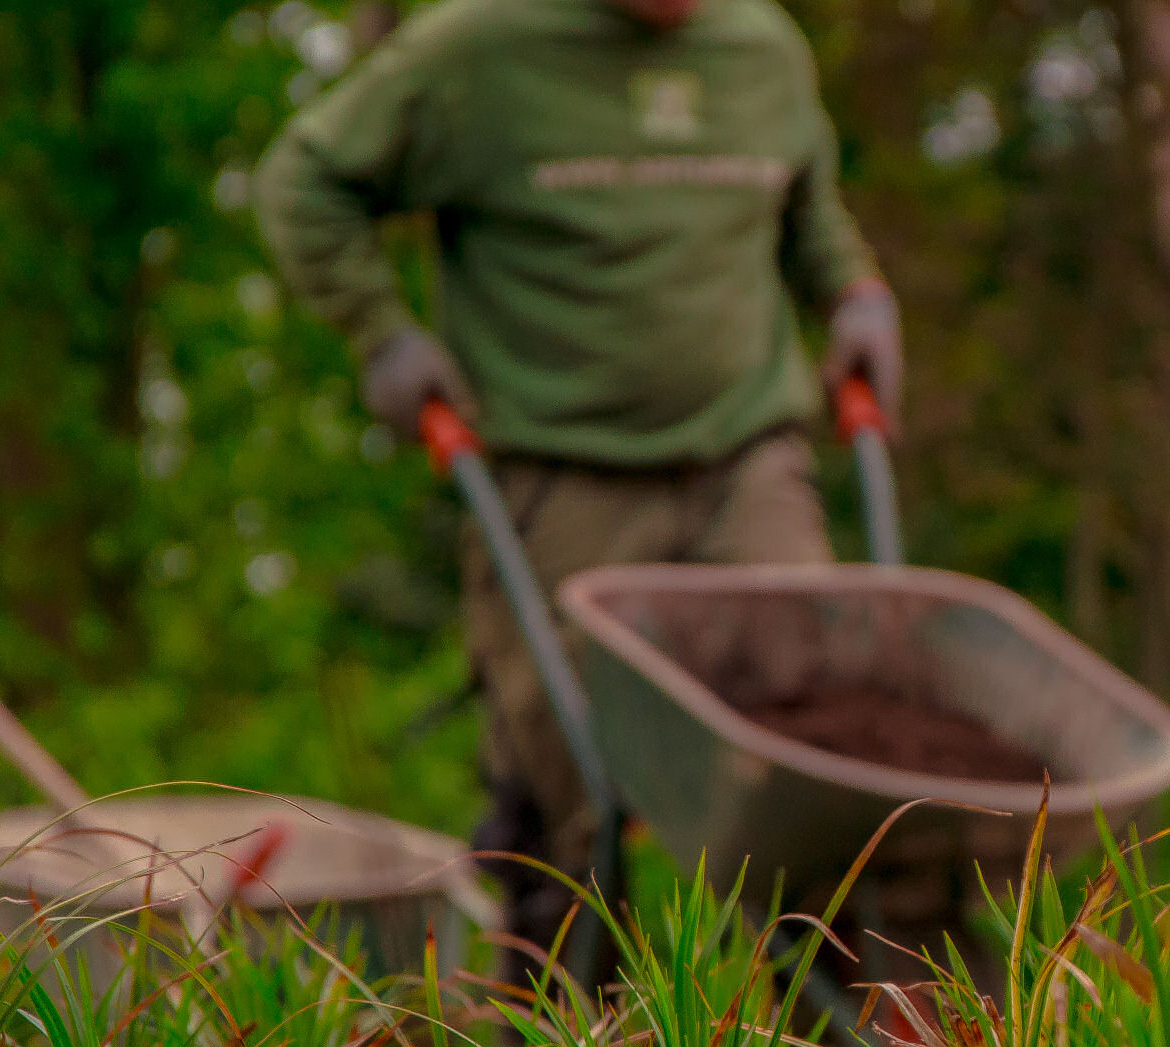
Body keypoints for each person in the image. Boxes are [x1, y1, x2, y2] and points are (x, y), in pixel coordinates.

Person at [256, 0, 901, 982]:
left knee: (811, 740)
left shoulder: (761, 47)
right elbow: (306, 179)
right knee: (567, 776)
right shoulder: (477, 50)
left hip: (745, 460)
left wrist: (854, 293)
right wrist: (380, 331)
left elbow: (803, 204)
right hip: (558, 469)